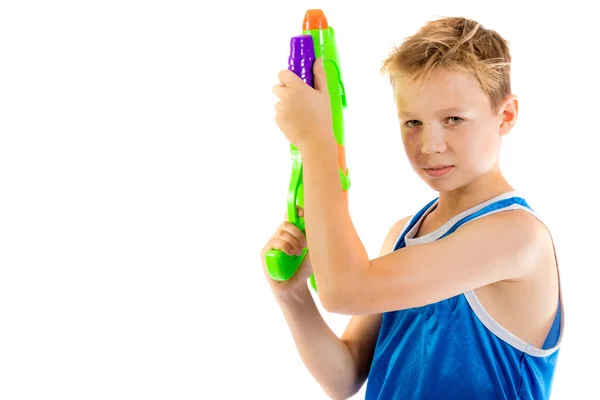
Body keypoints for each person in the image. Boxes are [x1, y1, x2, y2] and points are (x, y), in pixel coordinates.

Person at [262, 16, 563, 399]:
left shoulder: (516, 237)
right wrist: (294, 296)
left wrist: (318, 142)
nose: (429, 144)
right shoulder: (404, 234)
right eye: (413, 122)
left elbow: (344, 290)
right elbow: (344, 377)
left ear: (505, 115)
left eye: (454, 119)